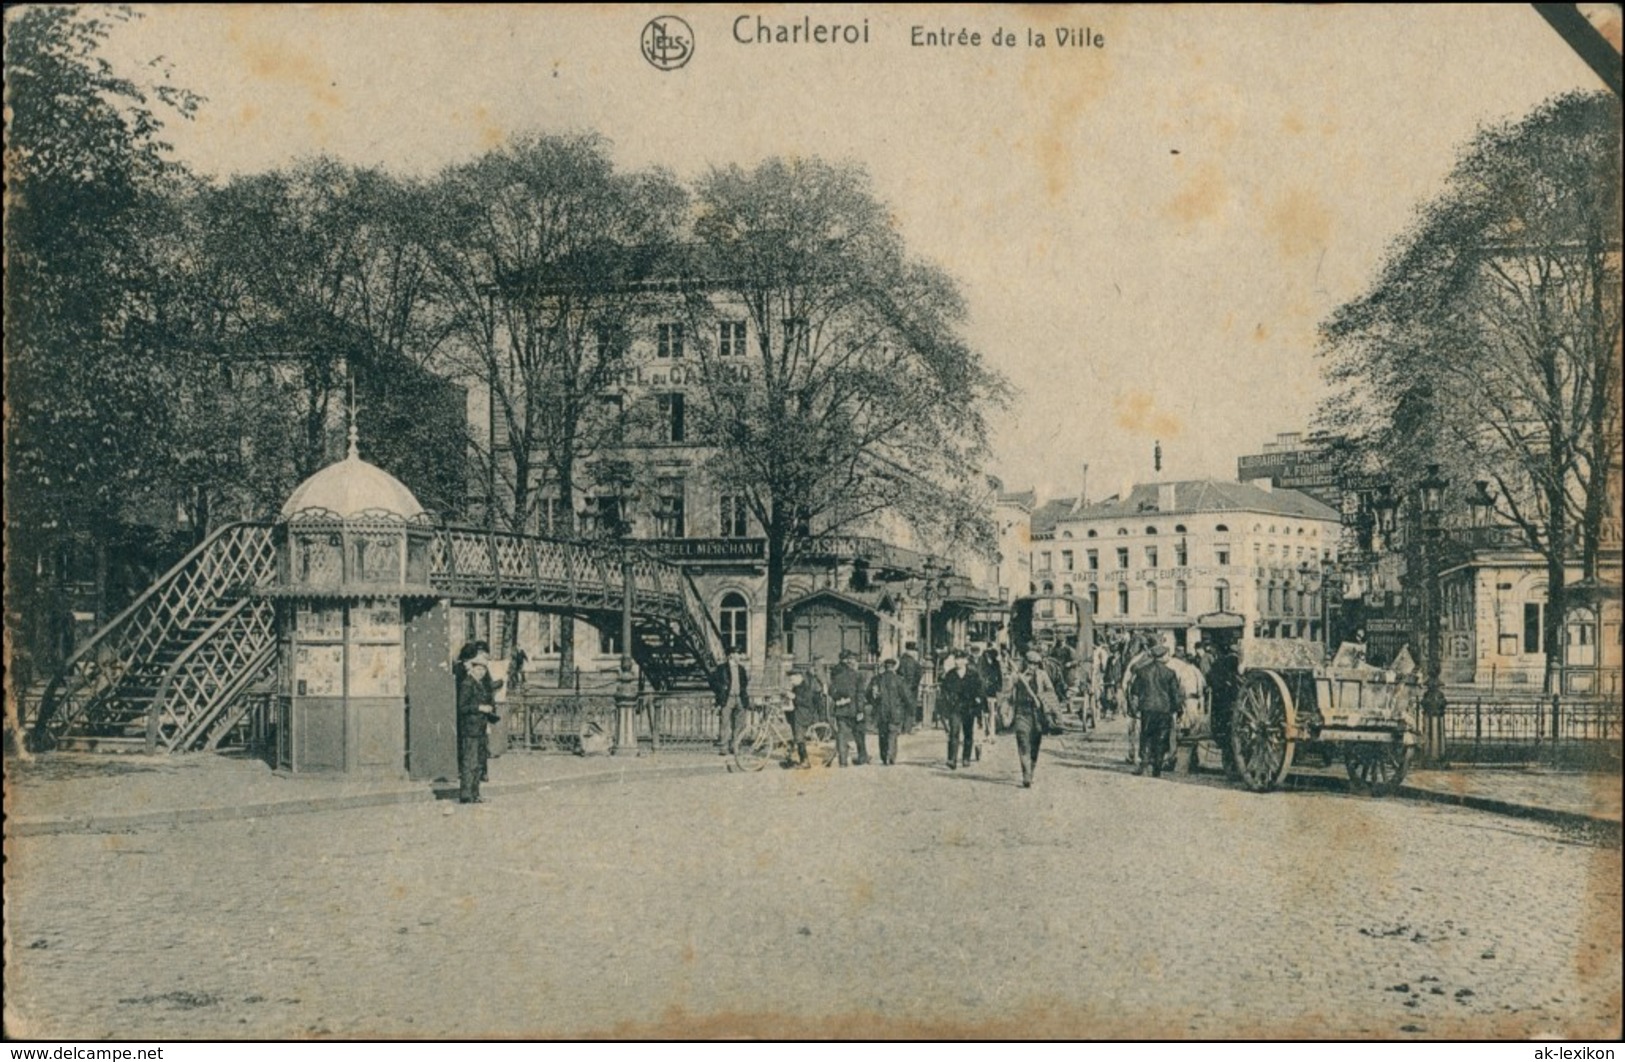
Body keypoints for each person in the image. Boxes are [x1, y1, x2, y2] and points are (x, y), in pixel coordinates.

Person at [1127, 642, 1184, 778]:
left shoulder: (1142, 671)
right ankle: (1157, 768)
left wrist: (1134, 709)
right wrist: (1179, 709)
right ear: (1163, 656)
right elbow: (1175, 694)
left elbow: (1134, 692)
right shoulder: (1170, 673)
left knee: (1146, 736)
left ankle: (1144, 765)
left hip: (1147, 709)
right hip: (1164, 710)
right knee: (1161, 738)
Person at [1009, 649, 1060, 788]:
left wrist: (1041, 698)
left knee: (1034, 744)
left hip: (1037, 714)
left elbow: (1050, 692)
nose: (1032, 667)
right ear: (1025, 663)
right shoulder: (1017, 676)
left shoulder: (1042, 675)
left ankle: (1031, 770)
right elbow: (1007, 691)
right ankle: (1026, 774)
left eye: (1036, 664)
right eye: (1030, 663)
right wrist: (1017, 678)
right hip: (1021, 712)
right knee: (1022, 740)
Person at [457, 654, 500, 803]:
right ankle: (466, 794)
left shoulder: (479, 684)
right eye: (478, 669)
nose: (481, 672)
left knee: (479, 762)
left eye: (483, 669)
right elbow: (462, 707)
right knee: (470, 762)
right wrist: (480, 707)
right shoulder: (468, 684)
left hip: (479, 728)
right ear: (473, 669)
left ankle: (475, 794)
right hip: (470, 729)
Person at [937, 650, 984, 769]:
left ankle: (966, 758)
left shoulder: (973, 674)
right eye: (956, 659)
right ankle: (952, 759)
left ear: (965, 661)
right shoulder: (950, 675)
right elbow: (944, 691)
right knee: (954, 732)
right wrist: (947, 704)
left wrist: (978, 702)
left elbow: (979, 690)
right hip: (955, 708)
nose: (958, 662)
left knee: (968, 733)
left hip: (969, 708)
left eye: (960, 659)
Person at [1206, 635, 1242, 778]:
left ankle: (1232, 767)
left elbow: (1210, 679)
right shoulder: (1238, 663)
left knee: (1227, 736)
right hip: (1234, 703)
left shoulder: (1219, 663)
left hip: (1223, 704)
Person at [827, 649, 870, 767]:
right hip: (855, 710)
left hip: (841, 709)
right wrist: (860, 710)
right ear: (853, 664)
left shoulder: (837, 676)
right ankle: (862, 757)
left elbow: (831, 691)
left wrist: (839, 699)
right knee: (859, 733)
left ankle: (843, 761)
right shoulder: (858, 676)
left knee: (842, 735)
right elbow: (860, 695)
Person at [866, 657, 910, 765]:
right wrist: (906, 708)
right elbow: (906, 696)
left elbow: (868, 694)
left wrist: (874, 703)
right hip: (895, 710)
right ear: (894, 667)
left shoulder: (876, 679)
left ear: (885, 667)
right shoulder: (899, 680)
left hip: (881, 711)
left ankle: (884, 755)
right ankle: (891, 755)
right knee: (893, 733)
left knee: (883, 733)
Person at [711, 649, 752, 755]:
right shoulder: (721, 668)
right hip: (727, 699)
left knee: (739, 724)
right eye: (739, 654)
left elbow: (745, 683)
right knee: (725, 723)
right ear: (731, 655)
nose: (741, 656)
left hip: (740, 698)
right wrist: (721, 689)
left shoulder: (741, 669)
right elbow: (712, 681)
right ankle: (723, 747)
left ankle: (735, 746)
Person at [786, 670, 819, 768]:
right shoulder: (796, 687)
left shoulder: (806, 688)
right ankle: (790, 758)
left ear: (799, 677)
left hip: (804, 714)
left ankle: (805, 761)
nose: (791, 681)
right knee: (792, 735)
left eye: (792, 679)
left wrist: (794, 697)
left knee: (799, 738)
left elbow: (807, 702)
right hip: (797, 713)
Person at [898, 644, 923, 732]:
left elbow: (899, 673)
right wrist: (914, 685)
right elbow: (919, 674)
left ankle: (901, 727)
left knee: (902, 707)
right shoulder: (914, 662)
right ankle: (908, 728)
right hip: (912, 689)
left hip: (902, 687)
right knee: (910, 707)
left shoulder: (901, 660)